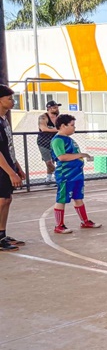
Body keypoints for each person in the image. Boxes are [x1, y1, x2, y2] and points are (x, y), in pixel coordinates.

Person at [50, 114, 102, 234]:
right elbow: (62, 157)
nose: (74, 128)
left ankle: (85, 221)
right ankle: (59, 225)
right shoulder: (58, 140)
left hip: (76, 174)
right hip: (66, 175)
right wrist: (81, 155)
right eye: (72, 125)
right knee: (62, 199)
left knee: (78, 197)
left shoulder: (69, 139)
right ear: (63, 126)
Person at [0, 85, 26, 252]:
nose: (13, 101)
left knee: (7, 200)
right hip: (2, 168)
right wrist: (10, 173)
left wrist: (17, 167)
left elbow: (8, 148)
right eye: (9, 98)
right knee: (2, 200)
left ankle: (2, 234)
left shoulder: (4, 120)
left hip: (8, 166)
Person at [37, 100, 61, 183]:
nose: (57, 109)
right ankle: (58, 175)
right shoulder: (43, 117)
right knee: (48, 162)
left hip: (55, 142)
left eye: (57, 107)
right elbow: (44, 129)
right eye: (54, 107)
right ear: (49, 108)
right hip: (44, 142)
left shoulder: (58, 118)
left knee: (54, 160)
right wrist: (57, 129)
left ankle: (49, 177)